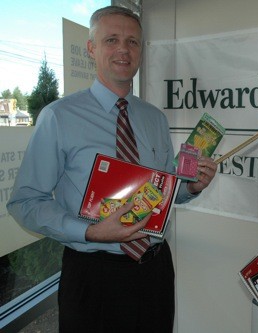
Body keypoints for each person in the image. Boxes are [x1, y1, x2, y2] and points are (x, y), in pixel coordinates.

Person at [7, 5, 217, 333]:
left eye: (132, 42)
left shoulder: (154, 119)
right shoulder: (59, 117)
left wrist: (190, 188)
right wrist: (90, 232)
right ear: (92, 48)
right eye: (112, 40)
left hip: (155, 271)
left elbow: (165, 191)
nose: (123, 49)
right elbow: (25, 203)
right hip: (94, 275)